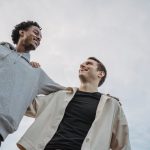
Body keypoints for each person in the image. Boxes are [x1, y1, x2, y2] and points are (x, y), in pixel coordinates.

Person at [17, 57, 131, 150]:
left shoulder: (111, 105)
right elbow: (24, 103)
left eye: (89, 64)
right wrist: (28, 73)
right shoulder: (60, 96)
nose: (82, 65)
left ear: (100, 74)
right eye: (81, 64)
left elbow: (122, 145)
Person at [0, 21, 64, 146]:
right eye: (36, 33)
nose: (39, 38)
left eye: (40, 38)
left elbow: (65, 91)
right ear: (22, 32)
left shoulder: (35, 72)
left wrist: (101, 97)